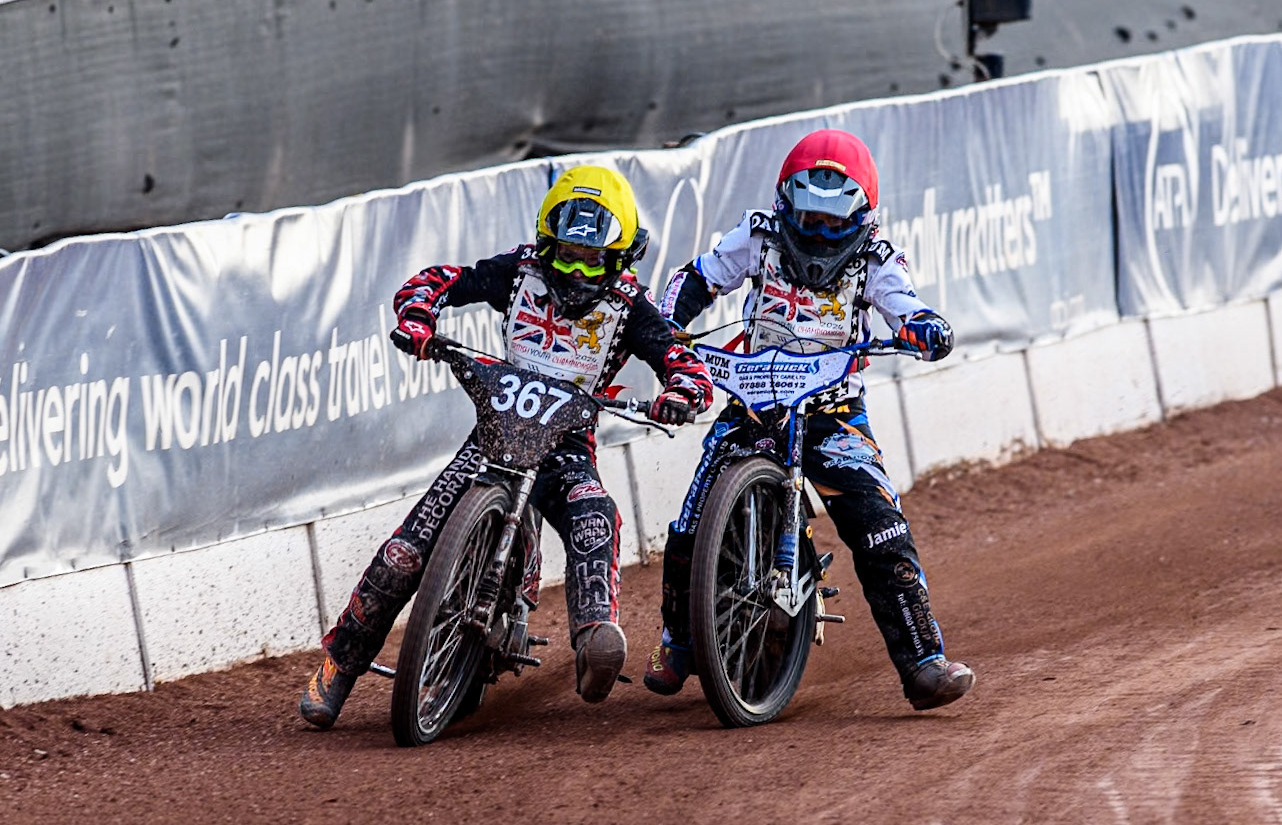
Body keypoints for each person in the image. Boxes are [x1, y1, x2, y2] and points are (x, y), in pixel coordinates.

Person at [300, 165, 714, 729]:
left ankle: (596, 637)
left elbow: (681, 358)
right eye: (566, 251)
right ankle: (338, 668)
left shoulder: (630, 306)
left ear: (620, 256)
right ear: (547, 240)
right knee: (406, 550)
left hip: (566, 443)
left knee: (596, 515)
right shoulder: (520, 271)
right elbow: (441, 279)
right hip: (493, 435)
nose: (574, 269)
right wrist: (418, 317)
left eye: (591, 258)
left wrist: (683, 392)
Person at [643, 129, 975, 710]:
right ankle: (676, 644)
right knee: (690, 520)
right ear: (784, 203)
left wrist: (924, 326)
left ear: (862, 216)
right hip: (752, 403)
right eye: (808, 219)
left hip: (834, 411)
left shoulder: (878, 258)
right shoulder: (759, 235)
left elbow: (907, 305)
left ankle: (924, 661)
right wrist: (669, 324)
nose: (818, 233)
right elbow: (697, 277)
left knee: (880, 526)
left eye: (832, 223)